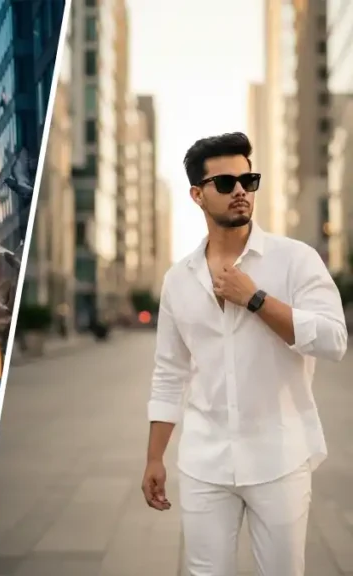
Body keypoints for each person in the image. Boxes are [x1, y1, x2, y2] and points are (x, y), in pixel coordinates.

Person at [141, 132, 347, 576]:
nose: (240, 190)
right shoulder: (179, 280)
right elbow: (169, 372)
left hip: (280, 458)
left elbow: (334, 340)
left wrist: (256, 300)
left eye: (248, 180)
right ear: (197, 194)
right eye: (225, 182)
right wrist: (155, 457)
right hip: (203, 462)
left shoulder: (295, 260)